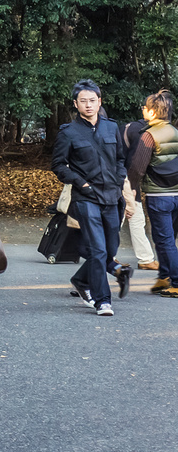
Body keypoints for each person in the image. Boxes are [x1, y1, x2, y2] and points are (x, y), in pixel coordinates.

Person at [52, 79, 130, 315]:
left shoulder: (111, 127)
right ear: (76, 104)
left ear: (99, 102)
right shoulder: (69, 132)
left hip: (112, 196)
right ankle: (102, 300)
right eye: (83, 101)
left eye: (92, 101)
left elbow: (119, 158)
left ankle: (81, 280)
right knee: (97, 250)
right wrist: (80, 182)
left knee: (109, 249)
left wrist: (119, 178)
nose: (88, 105)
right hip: (86, 198)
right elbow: (58, 165)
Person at [125, 89, 178, 296]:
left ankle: (175, 281)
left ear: (153, 112)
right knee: (167, 238)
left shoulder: (149, 136)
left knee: (163, 240)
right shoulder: (175, 132)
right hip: (176, 194)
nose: (143, 110)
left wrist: (129, 189)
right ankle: (164, 277)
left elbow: (137, 168)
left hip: (158, 195)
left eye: (145, 108)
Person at [116, 98, 163, 273]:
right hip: (124, 178)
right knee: (123, 215)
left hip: (120, 176)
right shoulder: (143, 131)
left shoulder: (132, 127)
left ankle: (145, 258)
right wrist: (131, 187)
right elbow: (134, 164)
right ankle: (142, 258)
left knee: (131, 217)